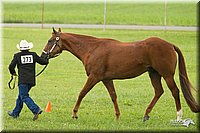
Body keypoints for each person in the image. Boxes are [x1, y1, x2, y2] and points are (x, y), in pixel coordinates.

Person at [8, 40, 49, 121]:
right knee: (20, 97)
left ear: (20, 48)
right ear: (28, 48)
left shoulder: (17, 56)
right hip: (31, 81)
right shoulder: (33, 54)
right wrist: (46, 57)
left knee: (24, 96)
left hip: (22, 81)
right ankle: (15, 113)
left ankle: (35, 109)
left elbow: (11, 66)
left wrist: (13, 73)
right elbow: (43, 62)